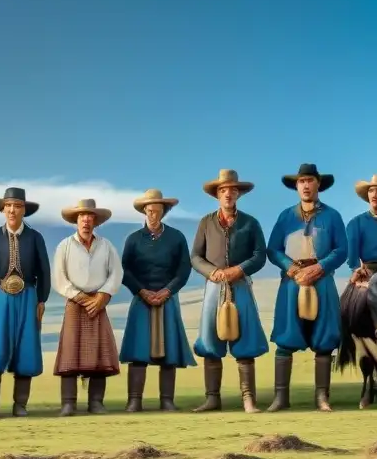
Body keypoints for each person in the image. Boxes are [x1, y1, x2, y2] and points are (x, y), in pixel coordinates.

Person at [265, 163, 348, 412]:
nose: (306, 185)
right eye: (301, 181)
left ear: (318, 184)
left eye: (310, 180)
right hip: (292, 280)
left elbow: (342, 250)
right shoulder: (285, 216)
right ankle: (281, 398)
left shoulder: (332, 216)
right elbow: (273, 249)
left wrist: (319, 267)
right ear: (296, 186)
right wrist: (291, 269)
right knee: (286, 334)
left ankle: (322, 397)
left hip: (322, 279)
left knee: (324, 337)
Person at [189, 169, 269, 413]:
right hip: (213, 287)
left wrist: (239, 270)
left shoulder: (250, 223)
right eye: (223, 190)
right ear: (217, 194)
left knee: (244, 339)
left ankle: (248, 399)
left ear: (238, 194)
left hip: (241, 285)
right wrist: (212, 272)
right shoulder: (205, 222)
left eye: (232, 190)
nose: (228, 194)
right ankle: (212, 398)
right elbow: (195, 256)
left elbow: (259, 255)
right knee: (210, 340)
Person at [0, 187, 51, 418]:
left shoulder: (35, 237)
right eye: (8, 206)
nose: (12, 210)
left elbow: (44, 271)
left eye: (17, 206)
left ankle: (20, 405)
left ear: (24, 210)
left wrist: (42, 299)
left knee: (26, 348)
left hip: (28, 296)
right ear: (3, 209)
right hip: (0, 296)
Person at [119, 189, 196, 412]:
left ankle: (167, 400)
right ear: (144, 211)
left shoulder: (177, 237)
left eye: (158, 210)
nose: (153, 214)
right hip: (140, 298)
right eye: (150, 210)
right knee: (138, 350)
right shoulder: (133, 239)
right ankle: (134, 400)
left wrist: (168, 291)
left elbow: (183, 269)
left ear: (164, 211)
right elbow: (125, 269)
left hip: (168, 298)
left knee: (169, 351)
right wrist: (141, 291)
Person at [52, 198, 123, 416]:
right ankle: (68, 404)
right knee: (70, 354)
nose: (86, 221)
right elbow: (59, 278)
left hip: (99, 304)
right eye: (82, 216)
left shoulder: (106, 246)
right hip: (75, 303)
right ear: (76, 219)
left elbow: (116, 273)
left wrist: (102, 296)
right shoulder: (64, 245)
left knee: (100, 355)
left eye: (90, 217)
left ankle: (96, 403)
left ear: (96, 221)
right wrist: (81, 297)